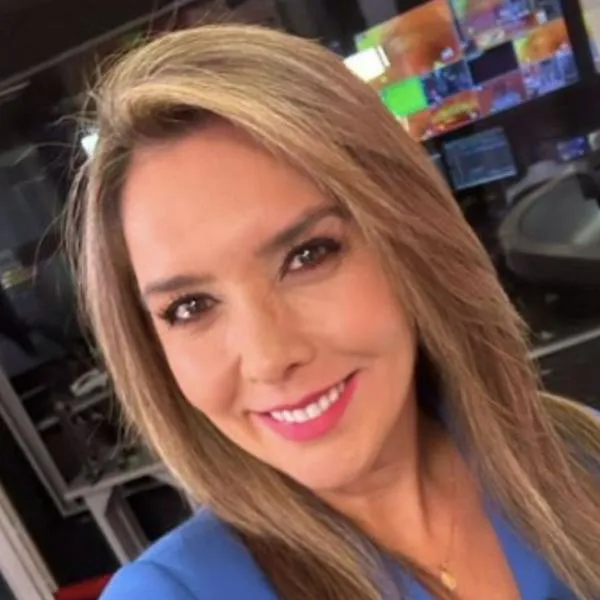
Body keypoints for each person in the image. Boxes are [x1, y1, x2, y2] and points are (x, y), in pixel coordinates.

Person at [67, 24, 600, 600]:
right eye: (190, 307)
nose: (269, 357)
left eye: (307, 256)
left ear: (408, 239)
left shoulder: (574, 452)